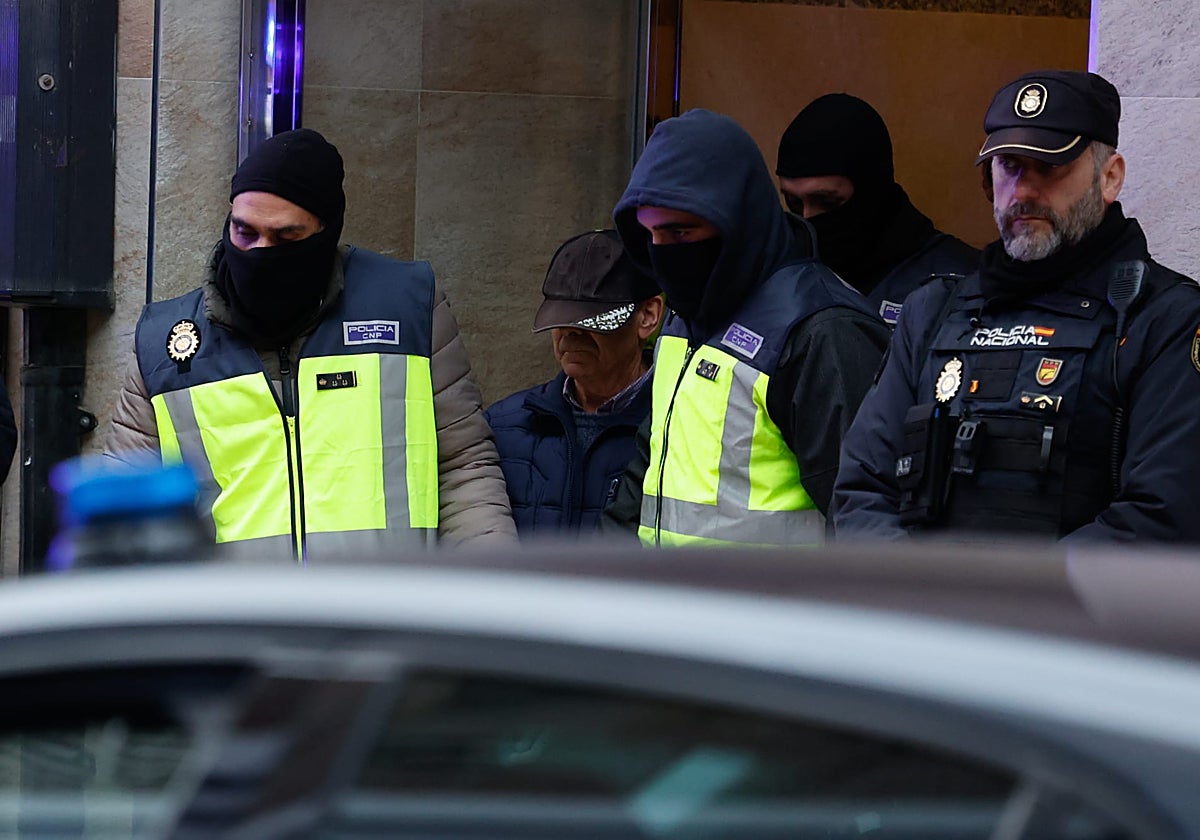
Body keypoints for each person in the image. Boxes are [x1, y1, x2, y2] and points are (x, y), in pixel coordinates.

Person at [106, 128, 516, 557]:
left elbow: (463, 470)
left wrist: (488, 593)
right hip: (230, 620)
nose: (261, 252)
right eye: (244, 233)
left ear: (325, 233)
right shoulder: (167, 345)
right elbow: (125, 511)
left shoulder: (406, 307)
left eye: (285, 238)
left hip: (386, 612)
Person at [833, 70, 1200, 542]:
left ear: (1110, 178)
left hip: (1066, 614)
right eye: (1009, 166)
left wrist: (1005, 605)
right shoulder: (934, 313)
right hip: (926, 611)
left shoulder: (1164, 320)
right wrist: (926, 601)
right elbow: (862, 491)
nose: (1023, 191)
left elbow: (1163, 520)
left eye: (1050, 168)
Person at [601, 109, 890, 547]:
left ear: (736, 221)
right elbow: (648, 472)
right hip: (666, 609)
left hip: (774, 611)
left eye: (680, 234)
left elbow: (867, 518)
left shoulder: (822, 331)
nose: (663, 254)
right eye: (651, 236)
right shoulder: (686, 319)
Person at [486, 230, 662, 537]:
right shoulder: (502, 428)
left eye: (592, 320)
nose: (571, 332)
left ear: (648, 315)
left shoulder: (676, 432)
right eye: (561, 318)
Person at [776, 93, 979, 326]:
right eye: (793, 202)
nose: (808, 218)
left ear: (870, 189)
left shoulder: (961, 283)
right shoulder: (786, 272)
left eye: (827, 202)